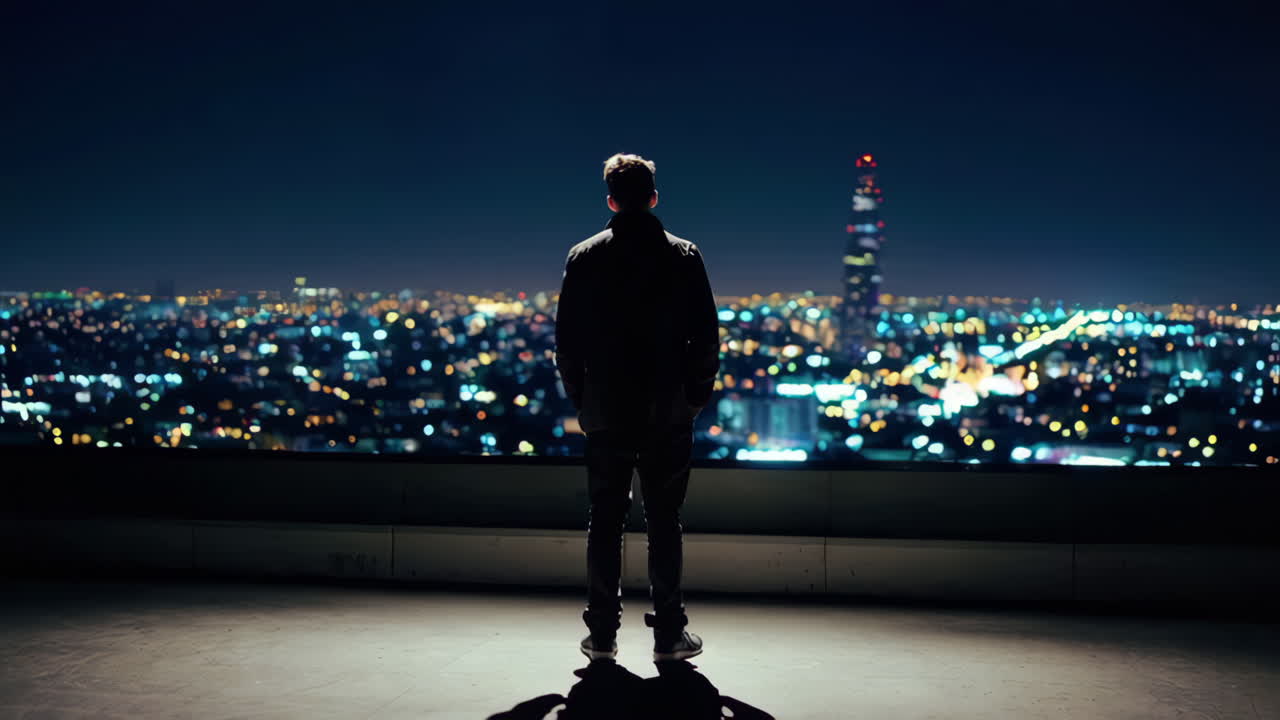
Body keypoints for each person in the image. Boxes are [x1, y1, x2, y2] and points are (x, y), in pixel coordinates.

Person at [554, 152, 720, 662]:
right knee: (664, 520)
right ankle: (669, 633)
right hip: (667, 410)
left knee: (604, 519)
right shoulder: (684, 256)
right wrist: (692, 398)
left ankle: (601, 634)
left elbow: (567, 343)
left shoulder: (584, 257)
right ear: (653, 197)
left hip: (607, 411)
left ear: (610, 199)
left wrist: (584, 401)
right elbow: (706, 338)